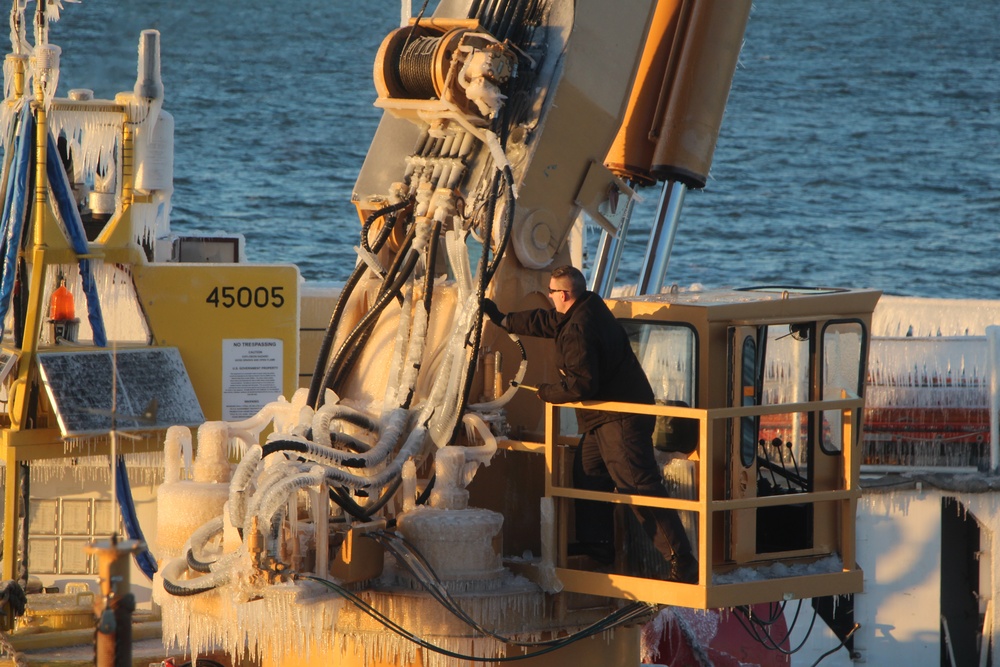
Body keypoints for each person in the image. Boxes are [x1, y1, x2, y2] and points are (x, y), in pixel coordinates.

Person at [481, 265, 697, 583]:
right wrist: (503, 319)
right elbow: (546, 321)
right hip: (602, 418)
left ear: (564, 295)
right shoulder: (585, 306)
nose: (550, 297)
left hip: (621, 416)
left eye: (552, 293)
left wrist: (547, 392)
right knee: (588, 471)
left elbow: (583, 385)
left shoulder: (580, 329)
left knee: (638, 485)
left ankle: (682, 560)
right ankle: (598, 545)